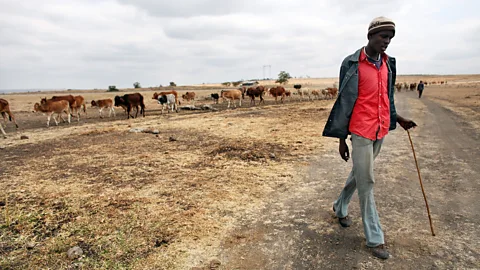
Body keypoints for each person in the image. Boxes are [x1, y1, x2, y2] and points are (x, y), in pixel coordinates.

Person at [322, 16, 417, 260]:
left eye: (390, 38)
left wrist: (398, 118)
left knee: (359, 174)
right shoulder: (352, 63)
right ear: (370, 36)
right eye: (382, 36)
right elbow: (344, 100)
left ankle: (339, 206)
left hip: (381, 129)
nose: (386, 42)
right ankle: (375, 238)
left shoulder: (388, 64)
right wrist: (341, 138)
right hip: (361, 131)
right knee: (368, 182)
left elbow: (387, 98)